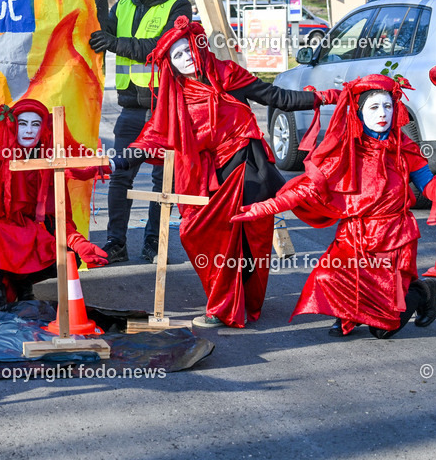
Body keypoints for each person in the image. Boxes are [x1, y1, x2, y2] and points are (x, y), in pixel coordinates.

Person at [233, 74, 436, 338]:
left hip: (395, 239)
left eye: (388, 106)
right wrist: (259, 209)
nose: (383, 114)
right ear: (359, 112)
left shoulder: (406, 149)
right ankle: (347, 315)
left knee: (383, 329)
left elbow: (433, 191)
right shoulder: (345, 151)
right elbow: (302, 191)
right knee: (327, 277)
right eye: (374, 107)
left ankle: (422, 291)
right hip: (354, 238)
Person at [125, 16, 338, 328]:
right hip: (208, 177)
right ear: (169, 63)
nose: (185, 58)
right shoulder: (175, 96)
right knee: (198, 234)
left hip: (247, 166)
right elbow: (155, 134)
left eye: (188, 50)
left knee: (248, 239)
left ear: (199, 47)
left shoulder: (227, 73)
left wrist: (325, 96)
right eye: (177, 55)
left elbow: (276, 97)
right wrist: (120, 160)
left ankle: (229, 306)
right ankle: (227, 301)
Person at [0, 99, 109, 326]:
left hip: (32, 235)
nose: (30, 130)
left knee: (68, 255)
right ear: (13, 126)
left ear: (44, 128)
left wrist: (78, 242)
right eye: (23, 124)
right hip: (3, 238)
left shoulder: (51, 163)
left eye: (36, 124)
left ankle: (24, 286)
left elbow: (57, 218)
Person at [89, 0, 192, 263]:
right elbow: (95, 31)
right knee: (120, 176)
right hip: (132, 108)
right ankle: (115, 243)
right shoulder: (122, 6)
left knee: (163, 182)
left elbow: (157, 49)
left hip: (165, 110)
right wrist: (94, 1)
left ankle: (154, 244)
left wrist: (113, 43)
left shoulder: (178, 7)